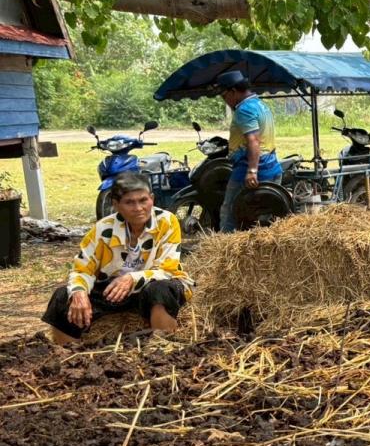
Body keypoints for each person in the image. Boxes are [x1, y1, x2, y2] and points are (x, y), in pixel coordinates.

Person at [42, 173, 193, 344]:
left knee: (160, 290)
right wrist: (79, 292)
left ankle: (163, 348)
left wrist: (131, 278)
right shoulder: (102, 229)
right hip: (113, 291)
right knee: (63, 296)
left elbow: (168, 269)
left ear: (152, 198)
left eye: (143, 200)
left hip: (151, 285)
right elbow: (82, 269)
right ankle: (69, 356)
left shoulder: (166, 222)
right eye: (129, 202)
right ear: (116, 205)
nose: (138, 208)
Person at [218, 70, 281, 232]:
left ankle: (223, 250)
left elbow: (253, 140)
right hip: (272, 166)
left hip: (250, 169)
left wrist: (252, 171)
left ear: (233, 91)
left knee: (229, 211)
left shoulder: (244, 109)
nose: (226, 102)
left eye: (225, 97)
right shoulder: (261, 105)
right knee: (264, 215)